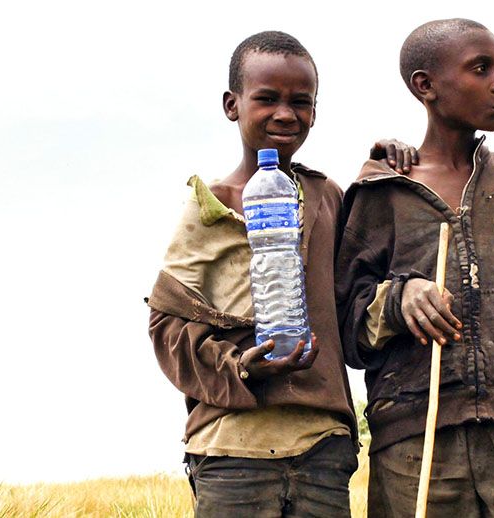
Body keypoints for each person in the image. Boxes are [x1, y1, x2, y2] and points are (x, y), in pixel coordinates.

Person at [145, 31, 417, 517]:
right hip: (232, 448)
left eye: (301, 102)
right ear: (233, 105)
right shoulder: (208, 208)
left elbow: (356, 297)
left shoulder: (326, 197)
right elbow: (167, 327)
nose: (285, 114)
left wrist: (385, 169)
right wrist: (242, 367)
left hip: (323, 445)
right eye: (266, 99)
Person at [335, 18, 494, 517]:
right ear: (426, 86)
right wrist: (398, 300)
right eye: (481, 69)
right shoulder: (383, 191)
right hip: (413, 440)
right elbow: (345, 328)